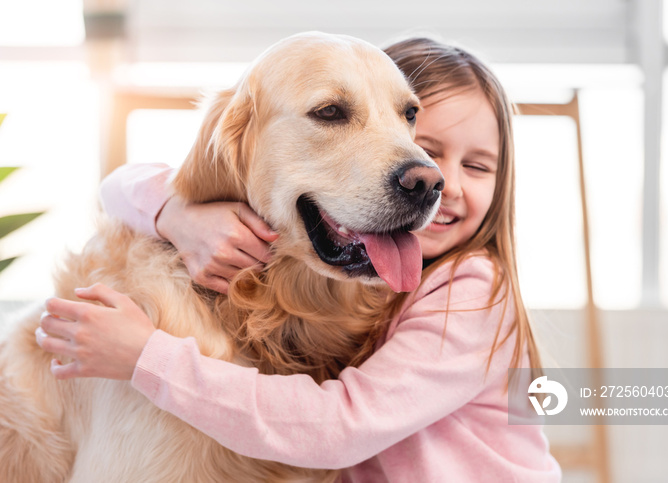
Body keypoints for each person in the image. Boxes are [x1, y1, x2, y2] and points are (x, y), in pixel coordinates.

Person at [36, 37, 562, 481]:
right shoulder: (361, 264)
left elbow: (338, 426)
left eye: (404, 118)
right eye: (332, 113)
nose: (428, 174)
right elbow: (123, 184)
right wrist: (178, 213)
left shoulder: (467, 293)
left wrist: (145, 357)